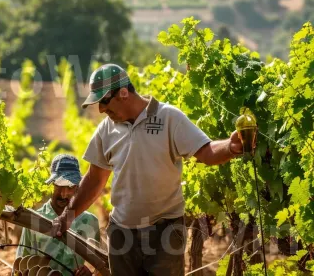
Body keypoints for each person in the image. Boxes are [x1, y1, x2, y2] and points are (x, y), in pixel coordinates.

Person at [51, 64, 249, 275]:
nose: (100, 109)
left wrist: (230, 146)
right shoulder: (106, 129)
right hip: (121, 233)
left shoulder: (169, 118)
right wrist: (67, 216)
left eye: (104, 101)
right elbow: (94, 179)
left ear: (124, 92)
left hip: (165, 232)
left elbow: (206, 152)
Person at [17, 154, 101, 276]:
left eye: (70, 187)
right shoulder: (34, 219)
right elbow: (20, 264)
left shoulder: (90, 221)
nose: (63, 193)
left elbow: (101, 269)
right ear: (52, 185)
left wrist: (89, 274)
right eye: (59, 185)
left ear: (77, 187)